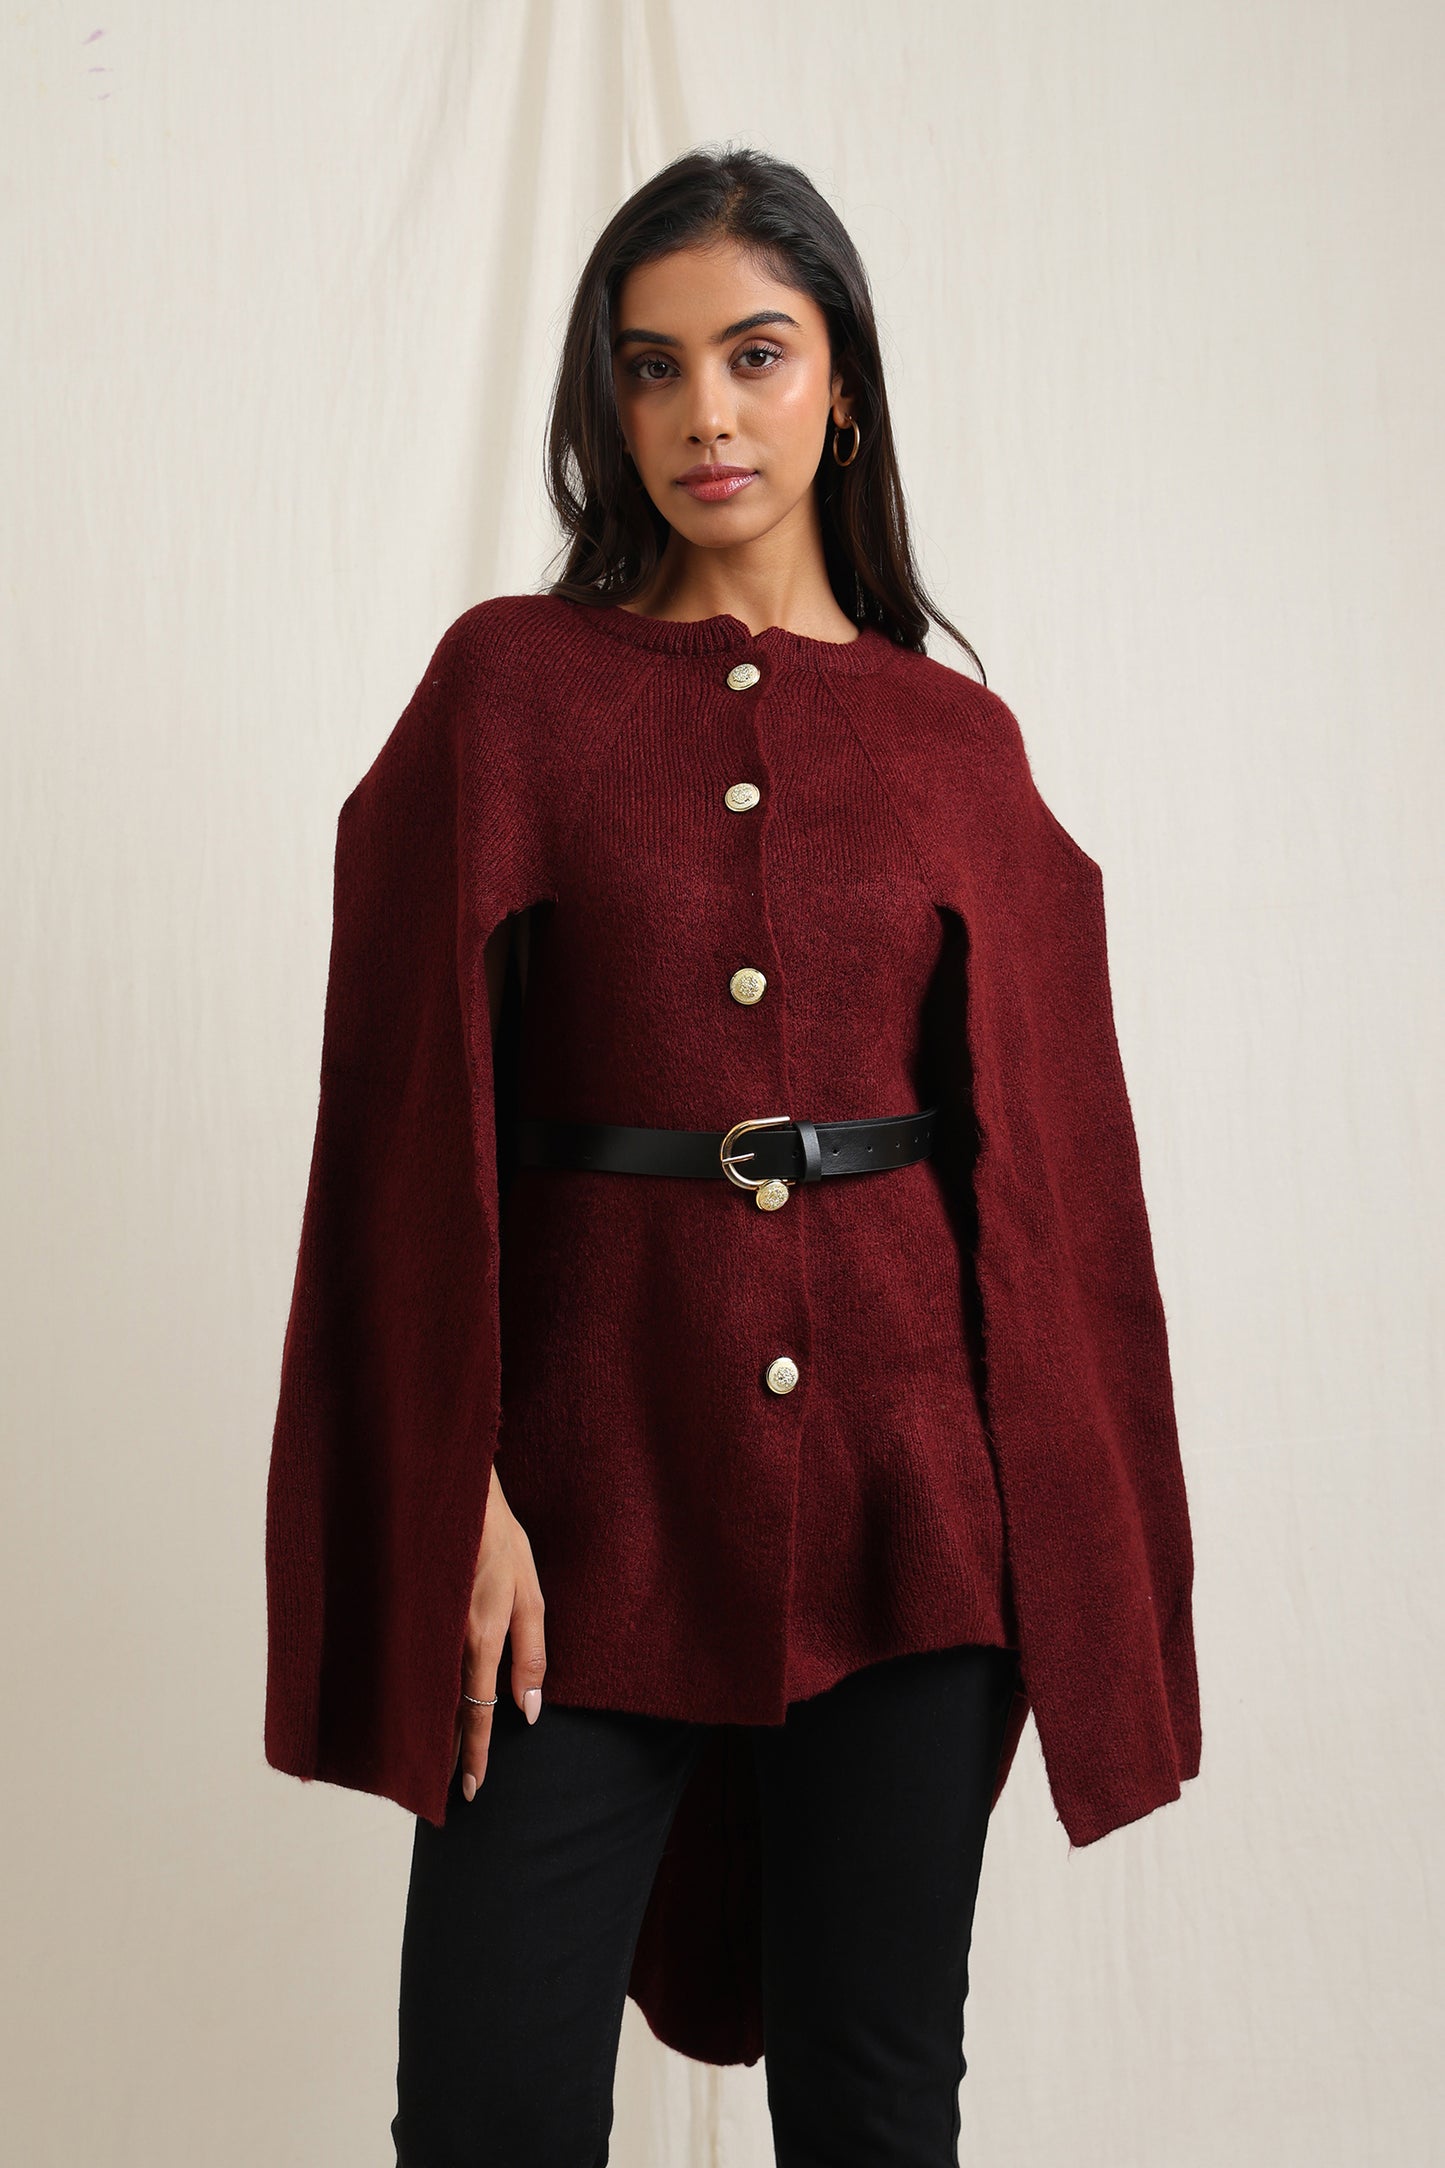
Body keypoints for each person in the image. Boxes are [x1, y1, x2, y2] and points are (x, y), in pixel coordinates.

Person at [263, 145, 1200, 2168]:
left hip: (909, 1514)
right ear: (605, 402)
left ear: (840, 384)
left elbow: (1052, 1178)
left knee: (875, 2103)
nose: (706, 412)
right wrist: (458, 1488)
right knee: (491, 2106)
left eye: (755, 356)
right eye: (653, 365)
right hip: (576, 1507)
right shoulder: (510, 688)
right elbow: (402, 1127)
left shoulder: (955, 745)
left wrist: (1055, 1528)